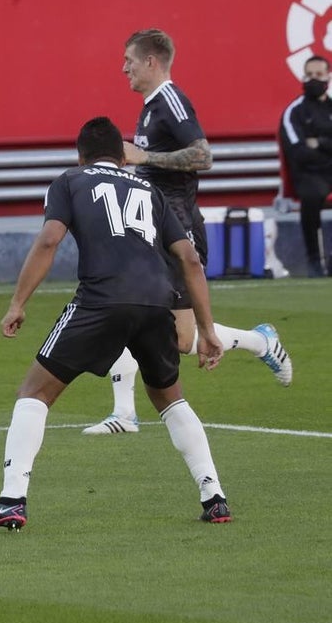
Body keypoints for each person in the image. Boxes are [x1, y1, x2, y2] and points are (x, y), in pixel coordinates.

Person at [0, 117, 232, 532]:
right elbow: (189, 259)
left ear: (80, 154)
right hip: (156, 301)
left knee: (34, 392)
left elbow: (49, 240)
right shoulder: (150, 190)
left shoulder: (70, 181)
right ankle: (214, 497)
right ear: (123, 157)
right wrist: (207, 330)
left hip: (102, 299)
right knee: (170, 400)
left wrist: (17, 303)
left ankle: (11, 501)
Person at [83, 29, 293, 436]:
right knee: (126, 305)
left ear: (151, 61)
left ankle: (261, 341)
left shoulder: (171, 101)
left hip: (177, 228)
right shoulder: (149, 108)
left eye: (129, 60)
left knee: (182, 339)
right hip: (150, 227)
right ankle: (124, 413)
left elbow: (202, 155)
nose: (123, 68)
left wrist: (146, 156)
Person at [279, 54, 332, 277]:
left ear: (328, 77)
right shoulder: (294, 112)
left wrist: (319, 142)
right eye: (309, 75)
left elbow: (310, 146)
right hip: (308, 174)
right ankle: (314, 261)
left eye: (319, 74)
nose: (313, 79)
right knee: (312, 195)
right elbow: (298, 152)